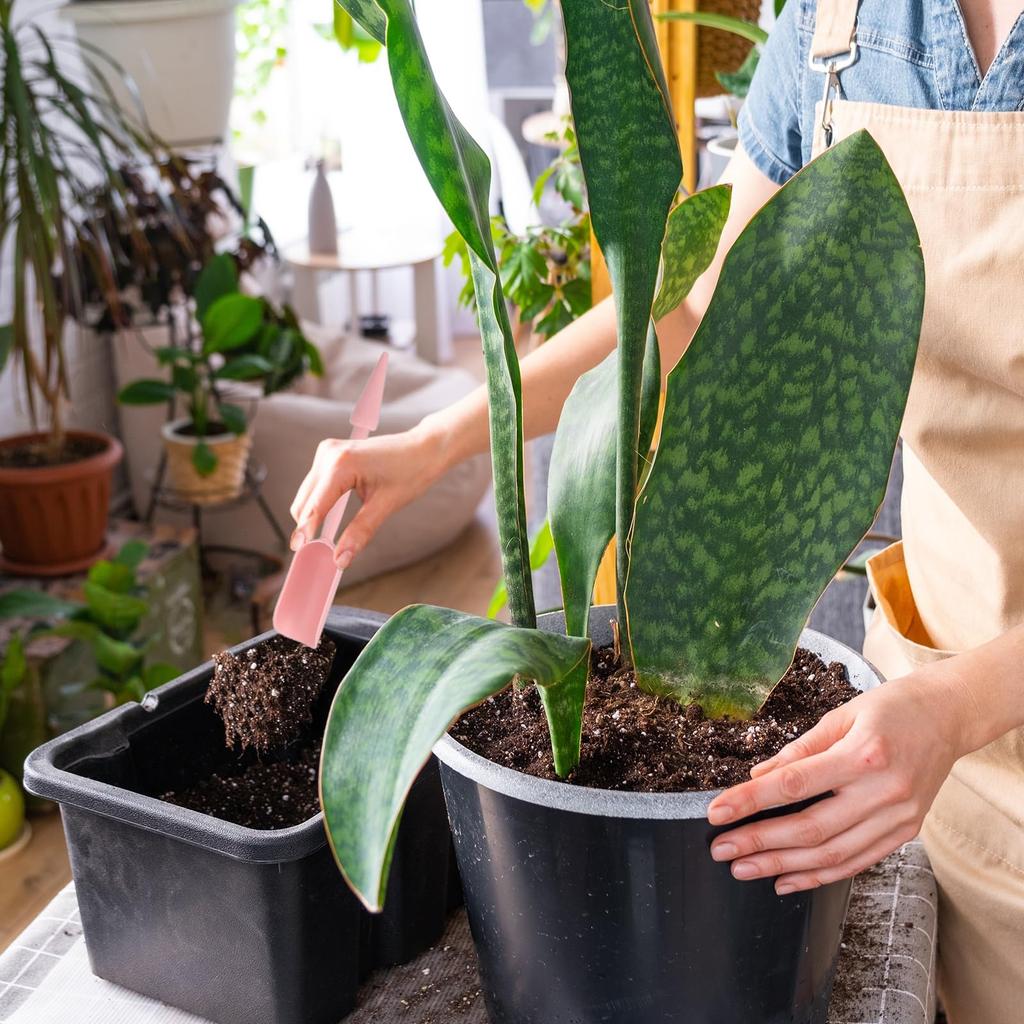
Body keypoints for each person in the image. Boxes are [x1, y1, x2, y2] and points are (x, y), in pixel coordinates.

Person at [289, 1, 1024, 1018]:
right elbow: (689, 301)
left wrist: (958, 710)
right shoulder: (837, 17)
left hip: (958, 710)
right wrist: (440, 441)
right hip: (910, 738)